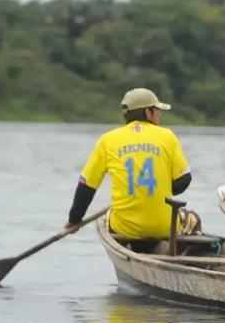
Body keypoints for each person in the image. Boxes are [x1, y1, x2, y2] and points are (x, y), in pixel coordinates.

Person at [65, 88, 196, 244]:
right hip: (163, 227)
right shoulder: (167, 136)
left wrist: (74, 220)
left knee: (103, 219)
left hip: (124, 228)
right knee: (194, 219)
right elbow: (184, 179)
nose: (159, 115)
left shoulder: (107, 140)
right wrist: (162, 191)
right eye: (156, 110)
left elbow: (86, 185)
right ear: (147, 112)